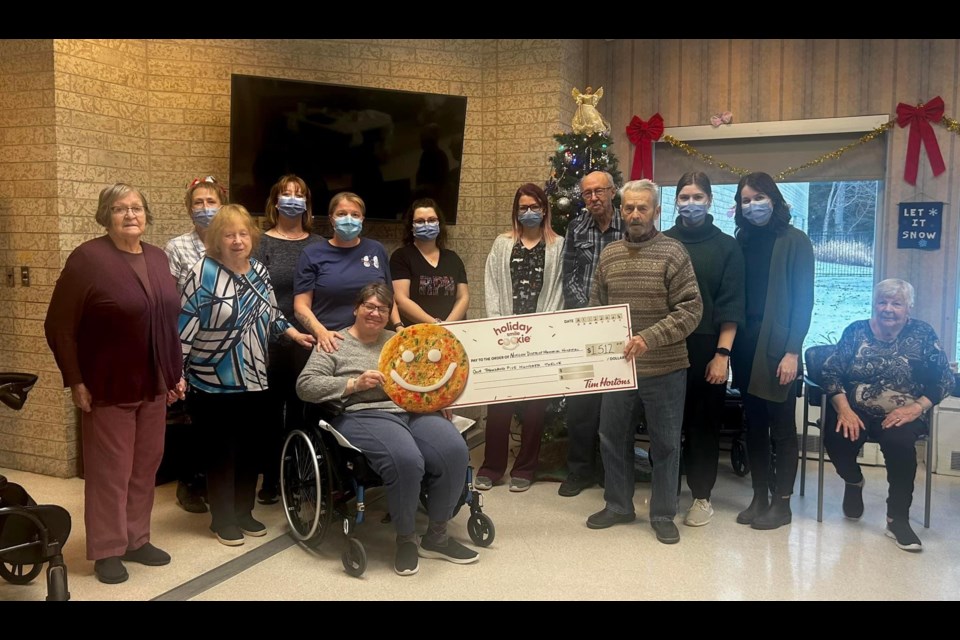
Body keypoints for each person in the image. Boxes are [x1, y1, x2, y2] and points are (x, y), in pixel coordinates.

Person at [45, 183, 185, 584]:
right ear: (105, 215)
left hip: (154, 383)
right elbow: (59, 326)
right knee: (110, 471)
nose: (130, 215)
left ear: (146, 215)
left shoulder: (158, 259)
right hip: (107, 385)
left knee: (145, 467)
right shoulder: (87, 259)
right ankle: (107, 548)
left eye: (137, 208)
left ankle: (136, 539)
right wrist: (75, 380)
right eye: (120, 208)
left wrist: (174, 374)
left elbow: (167, 323)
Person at [296, 283, 479, 576]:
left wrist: (439, 399)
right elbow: (305, 386)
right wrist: (353, 384)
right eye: (369, 306)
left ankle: (437, 536)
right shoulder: (333, 342)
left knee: (454, 449)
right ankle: (406, 539)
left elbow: (425, 377)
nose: (375, 313)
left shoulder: (402, 341)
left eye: (382, 308)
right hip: (363, 414)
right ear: (356, 308)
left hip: (412, 412)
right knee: (406, 459)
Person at [178, 205, 315, 546]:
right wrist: (176, 373)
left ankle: (244, 512)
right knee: (221, 450)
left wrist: (293, 334)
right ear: (216, 239)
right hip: (212, 379)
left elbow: (271, 312)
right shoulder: (202, 272)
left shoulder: (258, 271)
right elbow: (183, 327)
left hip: (255, 376)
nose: (237, 241)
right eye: (229, 234)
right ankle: (221, 519)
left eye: (242, 234)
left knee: (251, 449)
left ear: (251, 237)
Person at [586, 179, 702, 545]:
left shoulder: (674, 253)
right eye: (629, 208)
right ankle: (619, 505)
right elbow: (595, 309)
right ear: (621, 210)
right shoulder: (609, 256)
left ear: (656, 211)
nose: (635, 214)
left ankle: (664, 512)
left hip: (664, 367)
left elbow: (691, 309)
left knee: (666, 444)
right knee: (611, 438)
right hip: (617, 370)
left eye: (643, 208)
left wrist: (648, 338)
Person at [820, 279, 953, 552]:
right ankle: (853, 481)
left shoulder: (923, 334)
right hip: (855, 407)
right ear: (874, 304)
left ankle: (897, 519)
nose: (888, 309)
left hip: (904, 410)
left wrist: (917, 408)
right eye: (882, 302)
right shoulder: (856, 331)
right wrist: (843, 409)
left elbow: (944, 379)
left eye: (896, 303)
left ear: (909, 308)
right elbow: (830, 372)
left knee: (901, 445)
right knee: (837, 436)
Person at [730, 171, 814, 530]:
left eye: (759, 198)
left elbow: (803, 301)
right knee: (754, 423)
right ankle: (759, 495)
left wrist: (793, 351)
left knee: (781, 426)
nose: (753, 206)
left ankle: (782, 504)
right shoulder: (742, 240)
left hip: (779, 347)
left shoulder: (796, 240)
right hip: (746, 346)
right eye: (746, 200)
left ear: (775, 200)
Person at [663, 172, 745, 526]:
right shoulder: (662, 242)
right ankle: (666, 493)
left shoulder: (727, 246)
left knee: (702, 426)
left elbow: (731, 305)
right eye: (684, 197)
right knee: (665, 425)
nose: (691, 203)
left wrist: (722, 355)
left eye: (698, 197)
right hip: (665, 347)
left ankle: (700, 497)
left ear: (710, 200)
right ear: (676, 201)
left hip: (708, 348)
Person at [476, 183, 565, 493]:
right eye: (523, 207)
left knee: (534, 408)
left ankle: (525, 468)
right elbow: (492, 284)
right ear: (516, 211)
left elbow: (557, 292)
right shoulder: (503, 244)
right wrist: (498, 327)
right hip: (504, 337)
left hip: (538, 338)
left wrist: (542, 330)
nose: (529, 213)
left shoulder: (558, 245)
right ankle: (492, 467)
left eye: (534, 207)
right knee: (498, 405)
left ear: (544, 209)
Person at [252, 174, 324, 505]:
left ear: (307, 203)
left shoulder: (319, 244)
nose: (293, 199)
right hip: (268, 339)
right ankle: (269, 477)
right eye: (286, 194)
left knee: (302, 409)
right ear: (275, 201)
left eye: (300, 194)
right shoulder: (259, 242)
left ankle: (298, 475)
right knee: (268, 412)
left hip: (309, 339)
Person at [164, 175, 229, 514]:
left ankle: (217, 480)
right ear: (189, 209)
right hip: (193, 343)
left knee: (224, 419)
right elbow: (171, 298)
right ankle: (189, 482)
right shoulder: (177, 247)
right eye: (198, 203)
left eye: (211, 202)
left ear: (223, 205)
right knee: (194, 418)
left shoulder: (233, 241)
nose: (205, 209)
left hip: (230, 345)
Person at [558, 170, 623, 497]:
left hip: (620, 330)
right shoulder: (576, 228)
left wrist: (611, 314)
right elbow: (567, 274)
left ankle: (609, 470)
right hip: (583, 327)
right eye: (587, 193)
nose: (594, 198)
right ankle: (579, 471)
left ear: (613, 192)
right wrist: (590, 309)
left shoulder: (630, 226)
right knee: (581, 404)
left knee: (615, 404)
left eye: (600, 191)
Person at [293, 192, 401, 354]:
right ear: (331, 219)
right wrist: (321, 332)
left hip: (373, 342)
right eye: (342, 214)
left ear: (362, 219)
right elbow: (301, 306)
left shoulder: (376, 249)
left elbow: (388, 296)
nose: (349, 219)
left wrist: (399, 326)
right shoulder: (312, 254)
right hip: (330, 342)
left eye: (355, 215)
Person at [390, 198, 469, 326]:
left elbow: (463, 298)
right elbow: (401, 300)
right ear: (411, 226)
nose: (427, 224)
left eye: (432, 220)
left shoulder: (453, 258)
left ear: (439, 223)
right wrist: (435, 325)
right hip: (417, 333)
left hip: (452, 333)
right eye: (420, 221)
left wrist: (447, 326)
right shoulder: (401, 257)